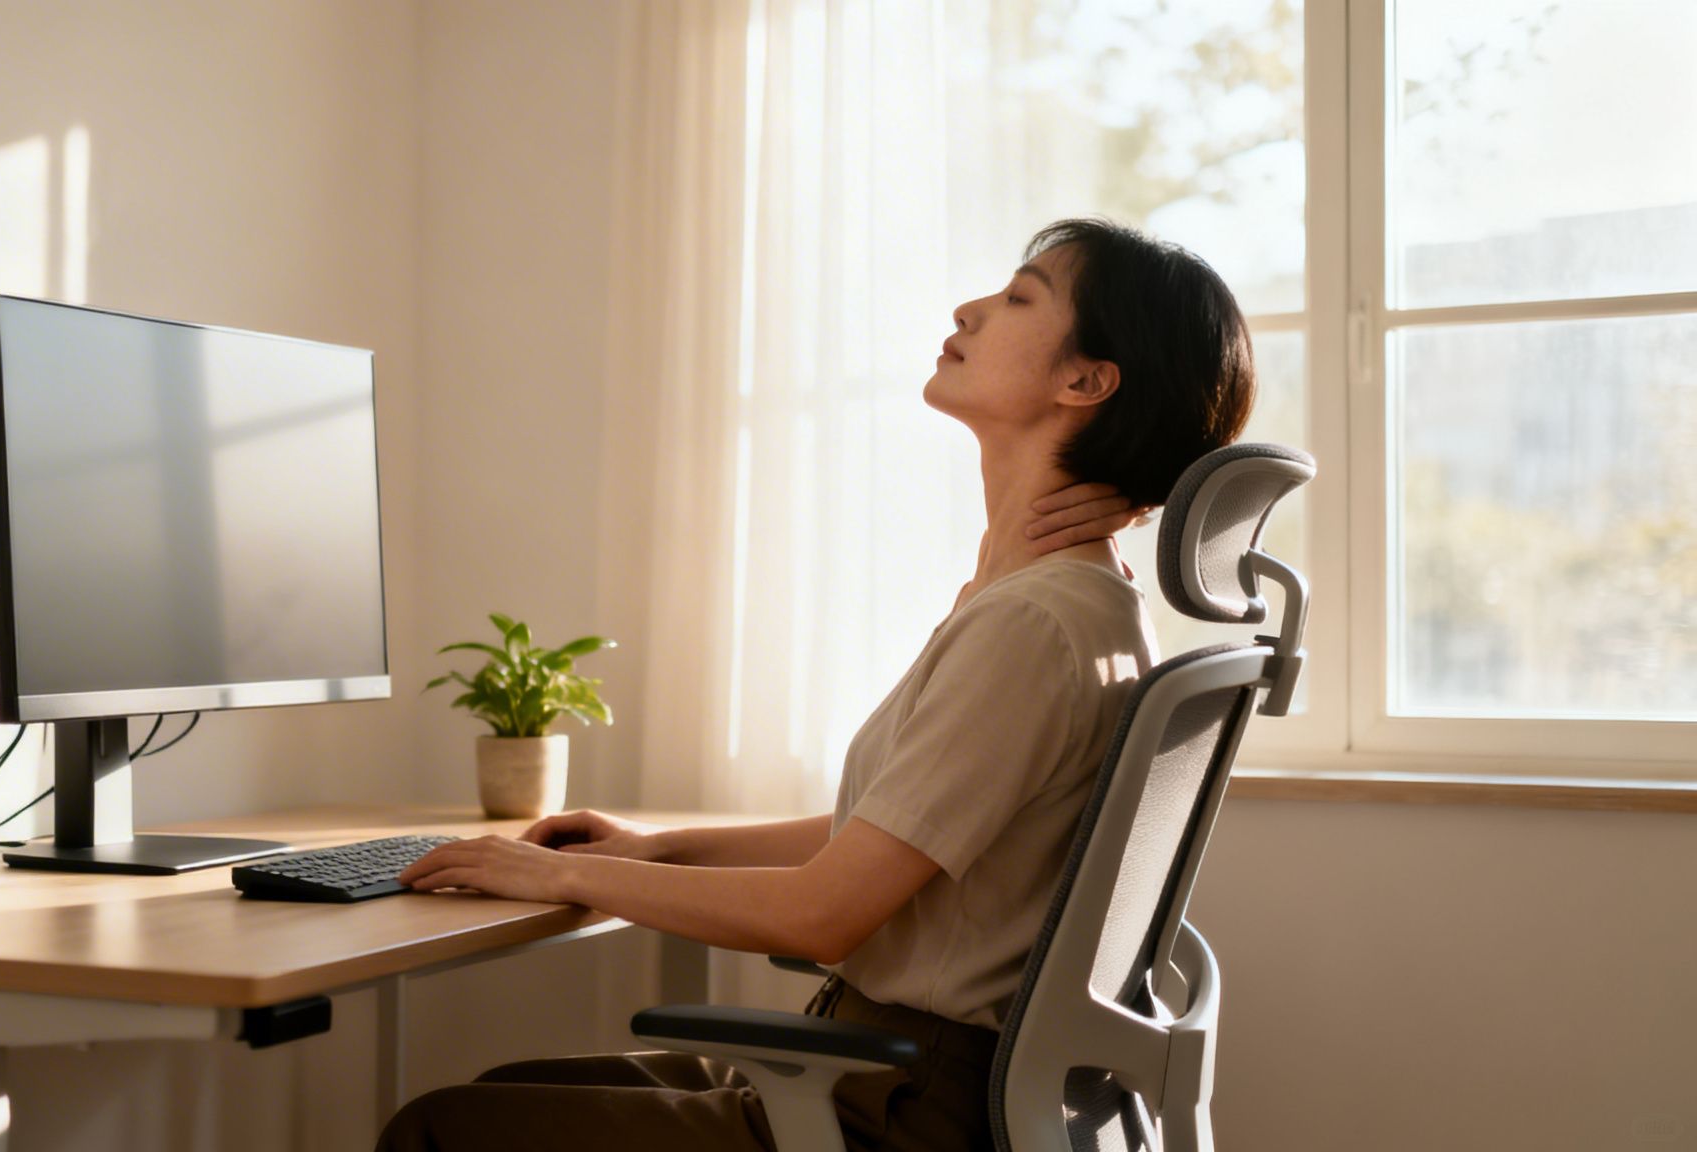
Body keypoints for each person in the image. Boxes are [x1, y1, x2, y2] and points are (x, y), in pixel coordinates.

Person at [378, 218, 1255, 1151]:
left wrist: (553, 873)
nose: (969, 309)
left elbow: (825, 911)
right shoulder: (1071, 603)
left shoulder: (1035, 624)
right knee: (507, 1092)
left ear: (1084, 381)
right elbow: (896, 834)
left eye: (1017, 297)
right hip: (902, 1069)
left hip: (901, 1104)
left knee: (441, 1130)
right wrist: (656, 848)